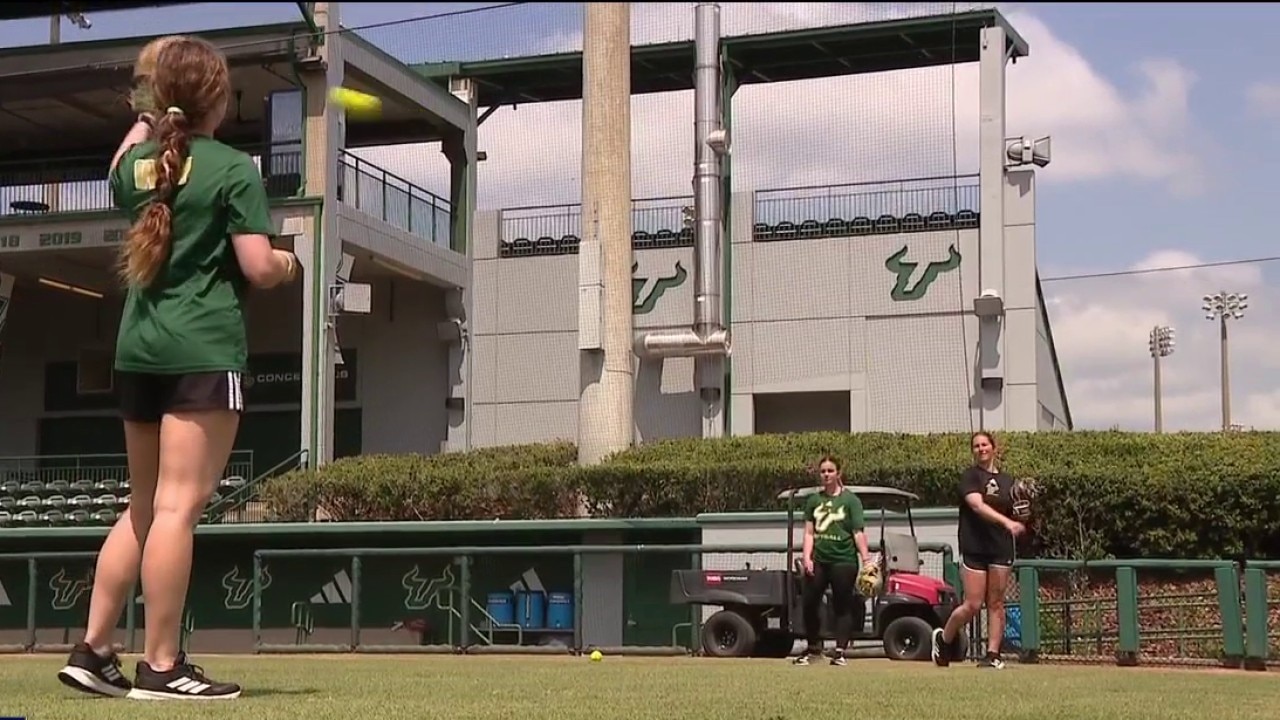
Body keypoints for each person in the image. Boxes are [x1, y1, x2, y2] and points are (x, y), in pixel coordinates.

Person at [56, 35, 298, 701]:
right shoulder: (232, 169)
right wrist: (288, 263)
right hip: (201, 352)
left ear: (158, 101)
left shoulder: (137, 166)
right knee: (175, 509)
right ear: (219, 101)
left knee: (142, 506)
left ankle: (95, 649)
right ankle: (161, 665)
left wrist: (145, 107)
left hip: (139, 352)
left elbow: (122, 163)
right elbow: (257, 265)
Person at [932, 431, 1025, 670]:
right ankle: (944, 639)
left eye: (985, 444)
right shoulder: (970, 476)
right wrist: (1006, 522)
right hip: (975, 546)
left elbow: (1017, 512)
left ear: (994, 448)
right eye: (976, 446)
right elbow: (976, 505)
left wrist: (1024, 512)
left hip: (1000, 547)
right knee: (972, 604)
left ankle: (993, 654)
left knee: (996, 602)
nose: (981, 448)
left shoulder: (1008, 481)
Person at [791, 455, 873, 667]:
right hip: (820, 559)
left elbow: (857, 532)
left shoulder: (850, 501)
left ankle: (840, 651)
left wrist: (866, 559)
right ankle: (813, 649)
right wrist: (807, 557)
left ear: (838, 473)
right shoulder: (814, 500)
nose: (826, 475)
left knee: (842, 605)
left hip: (844, 560)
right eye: (823, 471)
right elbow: (809, 532)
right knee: (809, 602)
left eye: (830, 471)